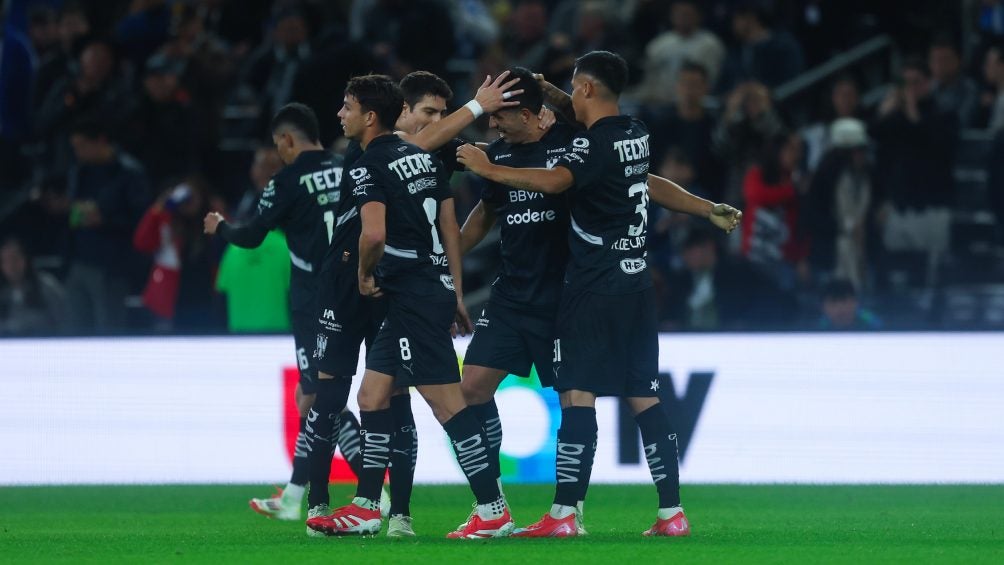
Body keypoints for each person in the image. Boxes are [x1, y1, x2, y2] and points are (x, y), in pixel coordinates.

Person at [457, 50, 741, 537]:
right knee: (642, 395)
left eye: (574, 86)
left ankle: (565, 514)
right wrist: (705, 207)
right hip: (634, 281)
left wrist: (487, 168)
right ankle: (671, 514)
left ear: (586, 88)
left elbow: (557, 180)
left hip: (589, 284)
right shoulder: (634, 133)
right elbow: (638, 177)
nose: (569, 95)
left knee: (577, 395)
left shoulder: (582, 146)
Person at [303, 69, 525, 538]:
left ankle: (493, 508)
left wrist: (365, 274)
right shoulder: (422, 159)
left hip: (409, 294)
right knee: (372, 395)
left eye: (347, 107)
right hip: (426, 287)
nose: (340, 114)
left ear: (370, 117)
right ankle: (367, 506)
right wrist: (453, 290)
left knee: (447, 405)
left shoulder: (367, 164)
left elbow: (374, 234)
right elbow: (447, 226)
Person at [203, 103, 370, 526]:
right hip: (357, 289)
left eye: (278, 144)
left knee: (318, 396)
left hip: (315, 300)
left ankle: (370, 491)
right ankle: (296, 495)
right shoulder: (347, 167)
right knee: (312, 395)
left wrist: (220, 226)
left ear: (287, 139)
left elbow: (251, 236)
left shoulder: (288, 180)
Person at [454, 67, 578, 532]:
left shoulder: (569, 142)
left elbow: (592, 118)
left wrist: (552, 91)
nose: (492, 125)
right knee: (471, 389)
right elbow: (486, 212)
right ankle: (493, 506)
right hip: (510, 296)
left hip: (562, 296)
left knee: (574, 401)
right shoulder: (499, 152)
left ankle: (568, 510)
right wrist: (448, 257)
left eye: (500, 116)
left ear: (528, 114)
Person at [62, 118, 151, 333]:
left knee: (109, 333)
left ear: (101, 141)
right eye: (75, 146)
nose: (78, 152)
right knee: (76, 331)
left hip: (110, 266)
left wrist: (105, 221)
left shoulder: (129, 173)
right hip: (78, 260)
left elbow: (142, 221)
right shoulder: (79, 170)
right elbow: (74, 207)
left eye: (82, 145)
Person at [217, 147, 291, 333]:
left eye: (258, 166)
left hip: (263, 326)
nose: (254, 170)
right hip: (270, 325)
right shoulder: (248, 200)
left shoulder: (285, 201)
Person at [0, 237, 64, 335]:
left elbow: (65, 322)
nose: (12, 265)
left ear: (26, 259)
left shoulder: (47, 287)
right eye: (6, 260)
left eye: (15, 258)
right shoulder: (3, 293)